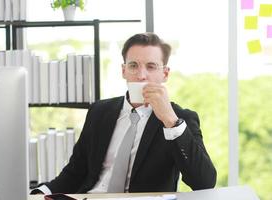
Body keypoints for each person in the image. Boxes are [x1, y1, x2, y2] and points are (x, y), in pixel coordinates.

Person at [32, 32, 216, 194]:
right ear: (124, 71)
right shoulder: (99, 112)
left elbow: (204, 183)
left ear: (165, 74)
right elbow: (75, 172)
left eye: (151, 66)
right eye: (133, 65)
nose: (141, 75)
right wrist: (39, 193)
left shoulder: (179, 119)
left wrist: (170, 120)